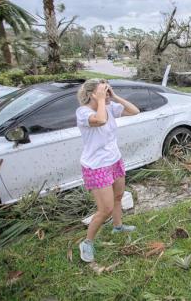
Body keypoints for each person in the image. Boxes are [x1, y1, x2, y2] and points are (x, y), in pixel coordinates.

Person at [76, 79, 140, 262]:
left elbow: (135, 111)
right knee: (105, 209)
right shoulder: (83, 112)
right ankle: (87, 243)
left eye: (106, 90)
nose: (106, 93)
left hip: (114, 160)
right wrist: (102, 100)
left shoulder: (109, 107)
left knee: (118, 197)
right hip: (96, 166)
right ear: (92, 95)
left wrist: (114, 96)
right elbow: (101, 120)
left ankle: (118, 226)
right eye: (102, 91)